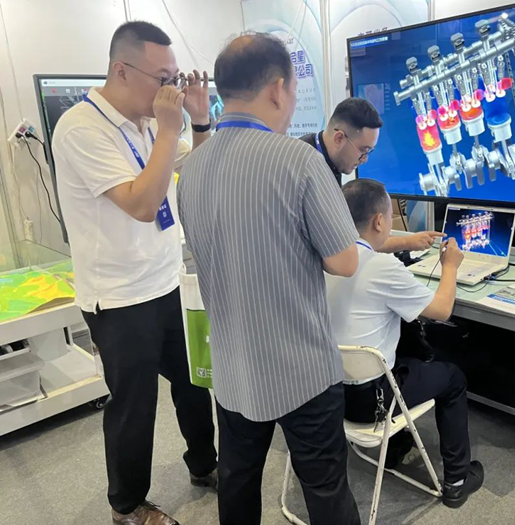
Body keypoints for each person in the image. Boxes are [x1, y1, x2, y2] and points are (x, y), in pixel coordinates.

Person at [177, 33, 361, 525]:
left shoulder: (191, 168)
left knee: (237, 482)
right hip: (302, 369)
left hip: (233, 366)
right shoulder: (299, 160)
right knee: (325, 489)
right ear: (278, 89)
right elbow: (345, 261)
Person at [52, 21, 217, 525]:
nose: (172, 91)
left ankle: (206, 464)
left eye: (176, 79)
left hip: (167, 281)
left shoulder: (147, 122)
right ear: (121, 71)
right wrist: (169, 128)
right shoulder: (81, 128)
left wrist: (199, 120)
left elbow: (198, 168)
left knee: (194, 383)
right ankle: (127, 505)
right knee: (134, 405)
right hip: (120, 298)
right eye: (163, 79)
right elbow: (143, 205)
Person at [326, 178, 484, 509]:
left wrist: (407, 242)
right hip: (372, 402)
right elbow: (441, 310)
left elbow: (366, 247)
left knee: (403, 352)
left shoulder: (329, 257)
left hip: (330, 395)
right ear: (380, 221)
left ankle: (396, 448)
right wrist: (450, 267)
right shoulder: (384, 268)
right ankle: (457, 480)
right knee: (452, 378)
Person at [300, 97, 444, 254]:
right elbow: (343, 247)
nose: (365, 159)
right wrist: (406, 242)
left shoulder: (328, 161)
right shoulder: (307, 169)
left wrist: (408, 241)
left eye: (369, 152)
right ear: (339, 138)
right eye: (363, 150)